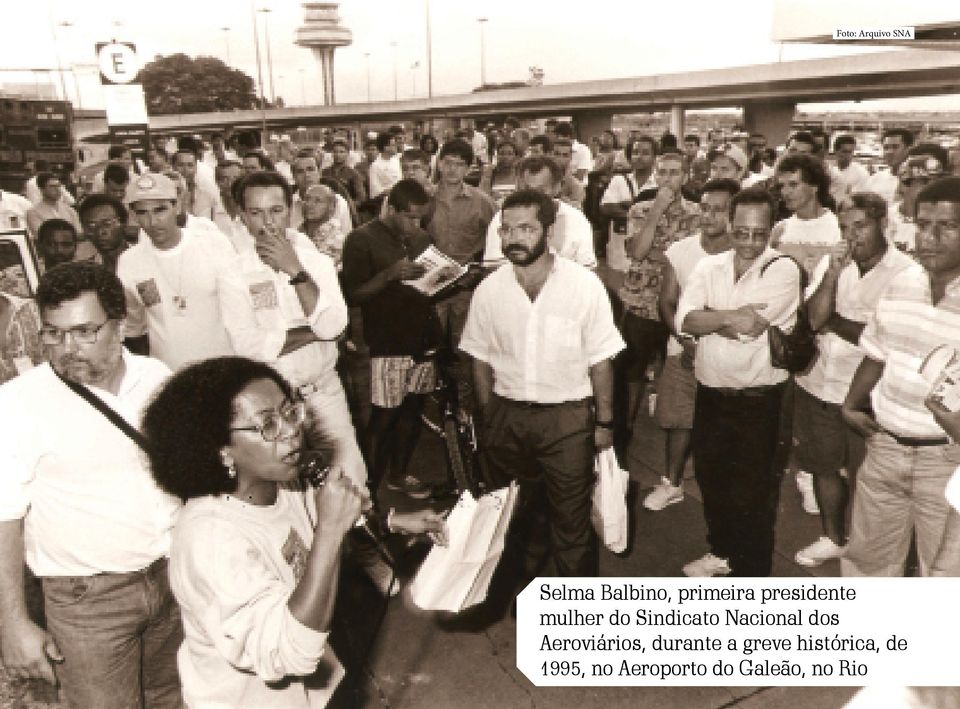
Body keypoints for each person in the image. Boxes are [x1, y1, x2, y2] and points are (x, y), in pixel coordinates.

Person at [142, 356, 445, 708]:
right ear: (222, 450)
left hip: (313, 691)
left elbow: (319, 524)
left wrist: (391, 521)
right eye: (267, 425)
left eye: (289, 412)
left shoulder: (284, 482)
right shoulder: (209, 539)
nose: (290, 431)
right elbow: (291, 653)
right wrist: (330, 530)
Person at [0, 262, 182, 708]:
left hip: (175, 581)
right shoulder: (17, 404)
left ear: (119, 327)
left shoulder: (157, 379)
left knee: (175, 700)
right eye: (53, 333)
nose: (67, 349)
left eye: (84, 332)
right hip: (88, 605)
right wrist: (14, 625)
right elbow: (3, 520)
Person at [460, 189, 624, 604]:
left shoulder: (584, 285)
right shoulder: (490, 290)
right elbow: (478, 357)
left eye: (527, 228)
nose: (514, 238)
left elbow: (602, 361)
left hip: (567, 421)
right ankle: (523, 601)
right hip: (507, 418)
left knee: (570, 525)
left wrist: (604, 424)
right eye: (507, 229)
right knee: (511, 518)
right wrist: (489, 415)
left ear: (550, 230)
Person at [678, 189, 801, 577]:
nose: (749, 242)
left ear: (771, 231)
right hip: (711, 394)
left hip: (759, 401)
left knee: (753, 494)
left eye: (759, 234)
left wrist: (712, 317)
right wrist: (727, 318)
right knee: (712, 480)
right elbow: (685, 320)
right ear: (730, 225)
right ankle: (721, 553)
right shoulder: (707, 266)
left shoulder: (783, 269)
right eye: (741, 232)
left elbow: (749, 329)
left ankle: (752, 578)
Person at [841, 177, 960, 577]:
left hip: (945, 461)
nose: (929, 237)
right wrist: (850, 404)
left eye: (947, 226)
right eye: (923, 224)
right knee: (867, 566)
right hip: (884, 448)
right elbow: (876, 354)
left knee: (942, 577)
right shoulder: (901, 284)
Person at [791, 192, 914, 567]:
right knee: (823, 467)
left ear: (883, 225)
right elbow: (812, 319)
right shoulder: (833, 263)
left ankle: (873, 554)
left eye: (860, 226)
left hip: (867, 395)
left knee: (873, 483)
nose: (851, 236)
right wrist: (830, 277)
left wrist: (834, 321)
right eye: (845, 228)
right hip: (817, 382)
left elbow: (885, 338)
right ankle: (833, 536)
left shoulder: (905, 273)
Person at [232, 170, 366, 491]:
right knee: (292, 493)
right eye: (256, 213)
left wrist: (295, 270)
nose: (267, 223)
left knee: (350, 481)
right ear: (242, 218)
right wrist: (311, 330)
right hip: (271, 407)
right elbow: (248, 346)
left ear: (291, 211)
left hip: (322, 392)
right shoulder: (233, 272)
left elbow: (334, 325)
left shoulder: (315, 263)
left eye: (276, 211)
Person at [643, 178, 738, 511]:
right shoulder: (681, 251)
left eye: (719, 210)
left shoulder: (745, 252)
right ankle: (672, 482)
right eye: (705, 208)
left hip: (731, 355)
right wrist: (685, 342)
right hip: (682, 349)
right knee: (678, 419)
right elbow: (666, 304)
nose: (709, 216)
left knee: (727, 423)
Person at [341, 179, 439, 501]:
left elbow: (429, 285)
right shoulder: (361, 239)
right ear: (392, 210)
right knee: (384, 415)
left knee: (413, 410)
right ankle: (366, 488)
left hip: (423, 336)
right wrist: (389, 274)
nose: (417, 225)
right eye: (410, 217)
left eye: (421, 218)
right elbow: (353, 295)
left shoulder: (423, 238)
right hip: (388, 340)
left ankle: (398, 474)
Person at [118, 173, 259, 370]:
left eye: (160, 210)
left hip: (223, 369)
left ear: (176, 207)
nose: (153, 221)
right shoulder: (129, 263)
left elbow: (241, 313)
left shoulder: (213, 244)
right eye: (143, 213)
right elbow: (134, 329)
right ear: (133, 216)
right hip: (169, 377)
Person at [614, 150, 701, 459]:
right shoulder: (640, 210)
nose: (666, 179)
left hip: (676, 305)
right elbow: (638, 252)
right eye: (662, 172)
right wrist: (656, 213)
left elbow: (691, 261)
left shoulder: (698, 214)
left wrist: (660, 254)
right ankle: (623, 436)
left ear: (686, 176)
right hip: (639, 304)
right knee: (631, 373)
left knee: (673, 372)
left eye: (674, 172)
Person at [483, 155, 597, 269]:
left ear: (557, 187)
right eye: (526, 190)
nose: (532, 197)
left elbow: (588, 271)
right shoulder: (503, 218)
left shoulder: (577, 220)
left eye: (540, 191)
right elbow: (494, 269)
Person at [600, 135, 658, 271]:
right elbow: (606, 207)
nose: (639, 156)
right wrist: (641, 211)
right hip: (619, 251)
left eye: (645, 153)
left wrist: (626, 205)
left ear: (655, 157)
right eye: (635, 152)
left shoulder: (659, 183)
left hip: (649, 253)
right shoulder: (619, 180)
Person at [77, 193, 131, 273]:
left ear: (123, 222)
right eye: (91, 226)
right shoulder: (86, 271)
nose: (100, 232)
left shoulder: (144, 260)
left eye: (107, 224)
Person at [25, 172, 83, 241]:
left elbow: (79, 234)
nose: (57, 189)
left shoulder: (70, 210)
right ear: (42, 189)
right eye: (52, 186)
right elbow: (41, 236)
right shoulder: (33, 213)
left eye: (59, 186)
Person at [865, 128, 914, 205]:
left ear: (908, 149)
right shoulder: (875, 179)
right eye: (886, 148)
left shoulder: (917, 181)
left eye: (895, 147)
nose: (889, 152)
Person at [322, 138, 366, 204]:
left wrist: (348, 205)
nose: (338, 155)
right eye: (335, 152)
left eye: (341, 152)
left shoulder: (353, 174)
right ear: (332, 153)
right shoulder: (325, 172)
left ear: (347, 153)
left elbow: (361, 198)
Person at [829, 135, 869, 207]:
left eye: (850, 152)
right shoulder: (829, 170)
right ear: (835, 151)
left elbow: (862, 197)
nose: (848, 156)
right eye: (844, 152)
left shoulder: (861, 172)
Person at [552, 138, 586, 209]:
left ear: (570, 158)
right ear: (550, 154)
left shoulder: (576, 186)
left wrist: (560, 197)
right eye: (556, 154)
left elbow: (576, 212)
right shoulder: (539, 178)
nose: (560, 158)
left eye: (565, 155)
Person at [368, 133, 401, 199]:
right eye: (393, 145)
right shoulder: (375, 166)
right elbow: (374, 192)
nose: (396, 147)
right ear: (386, 148)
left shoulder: (397, 160)